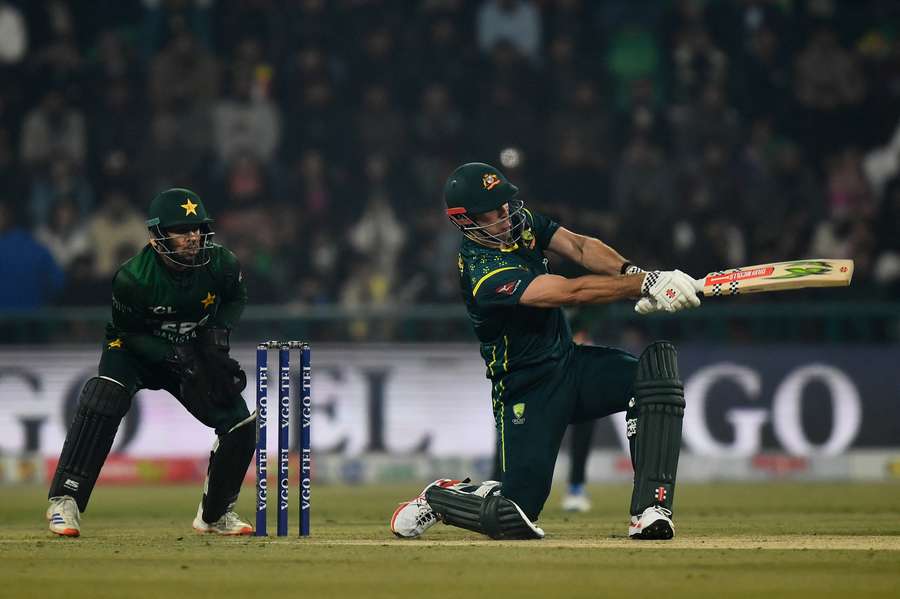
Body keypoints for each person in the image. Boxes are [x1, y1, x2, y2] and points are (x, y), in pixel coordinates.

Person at [390, 163, 700, 540]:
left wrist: (634, 272)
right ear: (465, 220)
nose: (506, 213)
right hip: (526, 391)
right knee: (513, 515)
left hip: (569, 365)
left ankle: (651, 510)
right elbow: (570, 292)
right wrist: (644, 285)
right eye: (494, 209)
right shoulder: (484, 272)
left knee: (655, 377)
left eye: (506, 203)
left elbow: (580, 246)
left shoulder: (517, 225)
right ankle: (439, 498)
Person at [45, 188, 255, 537]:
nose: (194, 238)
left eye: (198, 229)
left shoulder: (222, 263)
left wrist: (216, 336)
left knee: (240, 423)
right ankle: (64, 500)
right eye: (182, 231)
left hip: (190, 349)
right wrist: (169, 355)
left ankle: (215, 514)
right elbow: (128, 332)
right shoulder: (133, 278)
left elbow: (236, 297)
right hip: (133, 349)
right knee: (105, 397)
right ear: (158, 238)